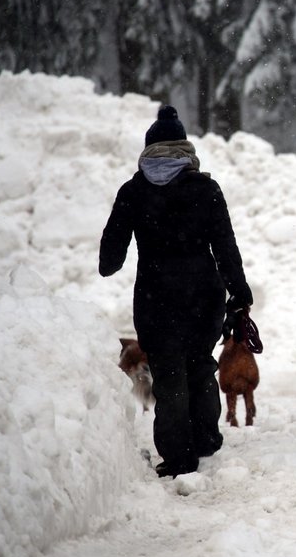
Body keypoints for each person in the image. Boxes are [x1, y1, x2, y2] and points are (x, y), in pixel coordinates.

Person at [99, 105, 253, 477]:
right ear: (185, 149)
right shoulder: (206, 189)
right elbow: (226, 248)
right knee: (200, 366)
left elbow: (109, 260)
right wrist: (240, 293)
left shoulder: (133, 192)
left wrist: (120, 247)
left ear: (149, 149)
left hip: (156, 300)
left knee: (169, 378)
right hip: (204, 298)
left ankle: (178, 456)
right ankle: (205, 439)